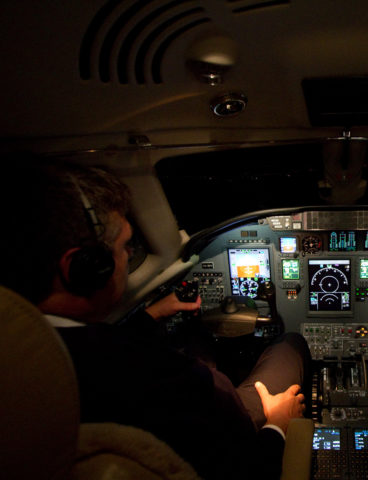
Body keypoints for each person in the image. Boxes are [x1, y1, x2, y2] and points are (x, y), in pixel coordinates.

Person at [0, 157, 310, 479]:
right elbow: (242, 467)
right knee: (290, 343)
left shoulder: (23, 351)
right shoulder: (151, 375)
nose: (128, 257)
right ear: (83, 268)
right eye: (123, 248)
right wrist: (277, 425)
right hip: (231, 424)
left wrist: (150, 315)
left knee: (197, 343)